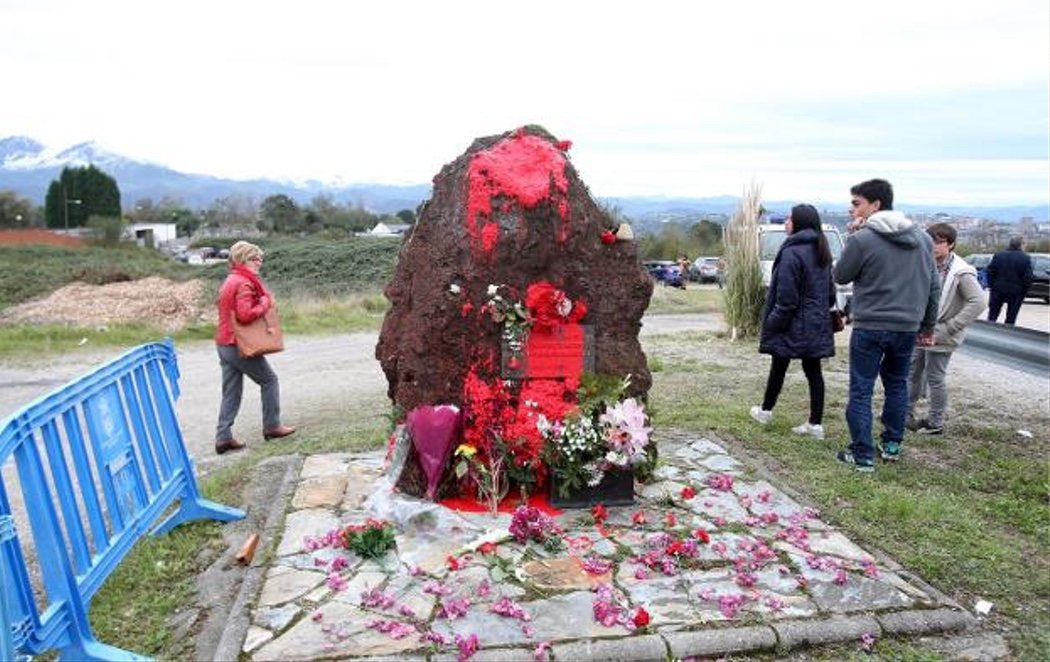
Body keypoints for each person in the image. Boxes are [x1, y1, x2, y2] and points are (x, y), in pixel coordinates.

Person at [833, 179, 940, 472]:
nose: (851, 208)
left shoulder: (862, 238)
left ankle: (862, 454)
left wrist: (852, 236)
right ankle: (892, 444)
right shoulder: (923, 239)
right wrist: (928, 326)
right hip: (907, 326)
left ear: (875, 205)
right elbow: (933, 286)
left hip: (870, 324)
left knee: (861, 389)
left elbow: (840, 275)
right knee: (896, 384)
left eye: (856, 203)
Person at [750, 204, 836, 439]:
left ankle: (766, 411)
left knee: (779, 365)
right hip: (816, 322)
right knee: (813, 370)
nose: (786, 223)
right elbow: (830, 293)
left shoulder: (791, 252)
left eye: (789, 219)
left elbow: (786, 298)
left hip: (792, 322)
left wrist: (772, 322)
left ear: (799, 223)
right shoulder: (822, 249)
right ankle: (815, 424)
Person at [214, 241, 295, 454]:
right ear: (242, 259)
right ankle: (272, 426)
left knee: (231, 392)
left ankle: (223, 437)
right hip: (239, 344)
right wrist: (265, 303)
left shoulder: (231, 279)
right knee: (269, 380)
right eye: (254, 258)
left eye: (260, 258)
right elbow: (245, 314)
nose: (259, 262)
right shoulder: (244, 282)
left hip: (224, 342)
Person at [906, 223, 986, 435]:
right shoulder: (926, 263)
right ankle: (905, 413)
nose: (934, 245)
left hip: (942, 333)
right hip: (921, 328)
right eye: (931, 240)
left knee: (935, 377)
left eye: (940, 242)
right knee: (912, 372)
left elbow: (978, 302)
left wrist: (951, 327)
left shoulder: (961, 271)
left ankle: (935, 421)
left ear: (950, 244)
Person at [986, 237, 1033, 325]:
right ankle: (1007, 335)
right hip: (1016, 291)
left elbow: (990, 272)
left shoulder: (998, 255)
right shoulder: (1025, 258)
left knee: (992, 315)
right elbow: (1028, 278)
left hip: (998, 289)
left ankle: (988, 332)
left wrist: (992, 285)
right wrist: (1024, 291)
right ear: (1021, 245)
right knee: (1011, 317)